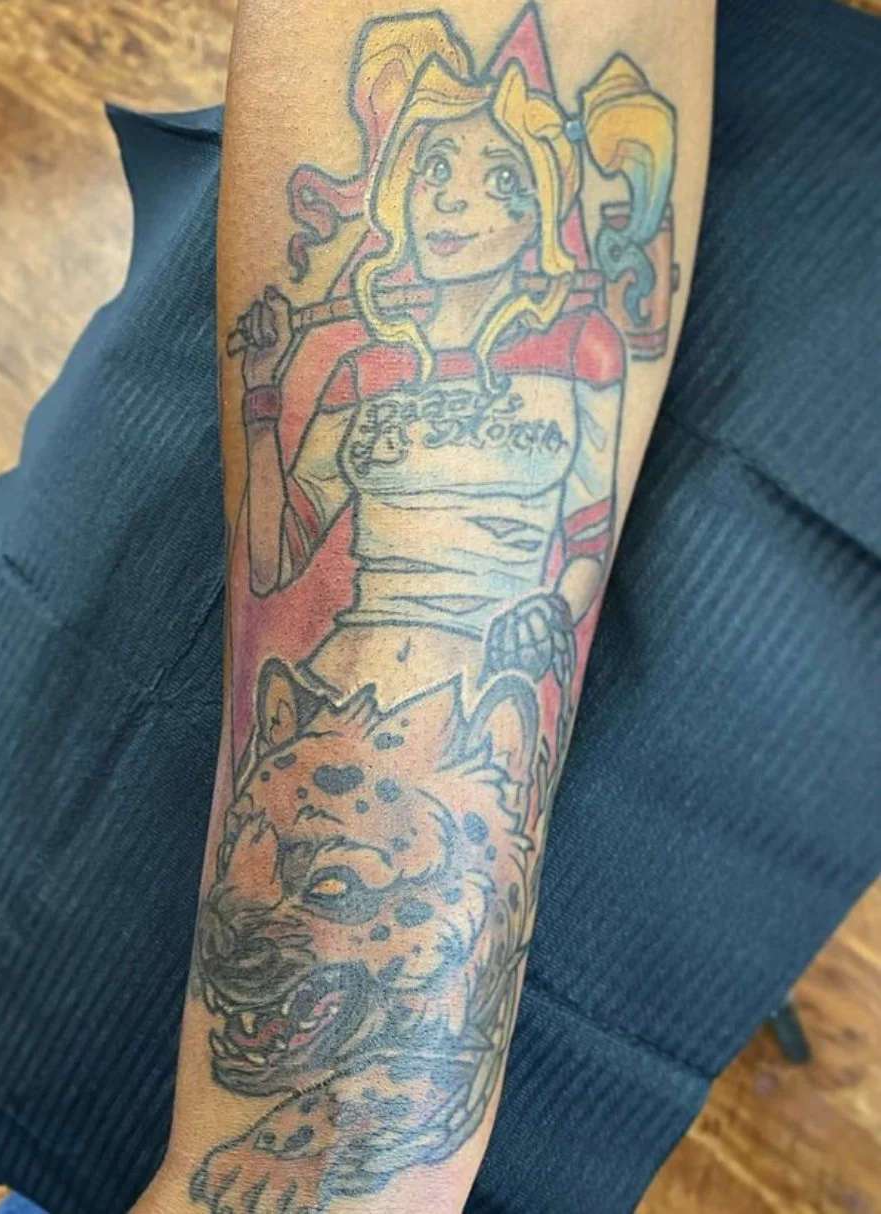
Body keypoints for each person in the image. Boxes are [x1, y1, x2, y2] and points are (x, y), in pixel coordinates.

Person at [133, 3, 714, 1212]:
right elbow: (283, 554)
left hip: (486, 695)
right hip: (341, 687)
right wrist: (266, 405)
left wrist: (537, 625)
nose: (457, 202)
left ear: (543, 205)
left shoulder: (577, 357)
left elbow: (576, 537)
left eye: (498, 178)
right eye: (434, 168)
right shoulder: (359, 361)